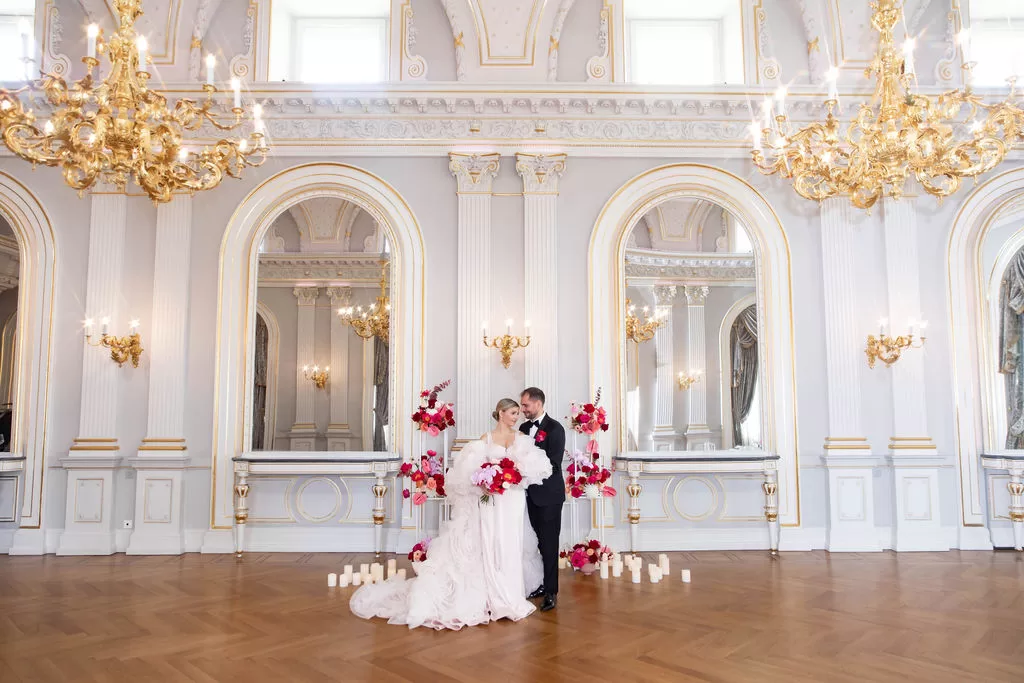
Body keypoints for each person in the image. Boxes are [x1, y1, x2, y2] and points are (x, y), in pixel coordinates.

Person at [349, 398, 552, 630]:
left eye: (518, 413)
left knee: (510, 543)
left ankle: (510, 595)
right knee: (491, 541)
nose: (517, 417)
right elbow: (470, 473)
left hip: (513, 498)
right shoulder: (484, 440)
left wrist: (514, 473)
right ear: (501, 413)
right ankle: (492, 593)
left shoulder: (522, 438)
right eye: (513, 413)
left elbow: (537, 468)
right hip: (491, 499)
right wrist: (487, 480)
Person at [519, 387, 566, 613]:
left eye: (525, 405)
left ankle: (551, 592)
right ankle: (540, 584)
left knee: (549, 545)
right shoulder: (523, 428)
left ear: (538, 403)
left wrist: (528, 467)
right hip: (527, 496)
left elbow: (554, 464)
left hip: (549, 496)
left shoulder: (555, 428)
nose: (522, 409)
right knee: (535, 543)